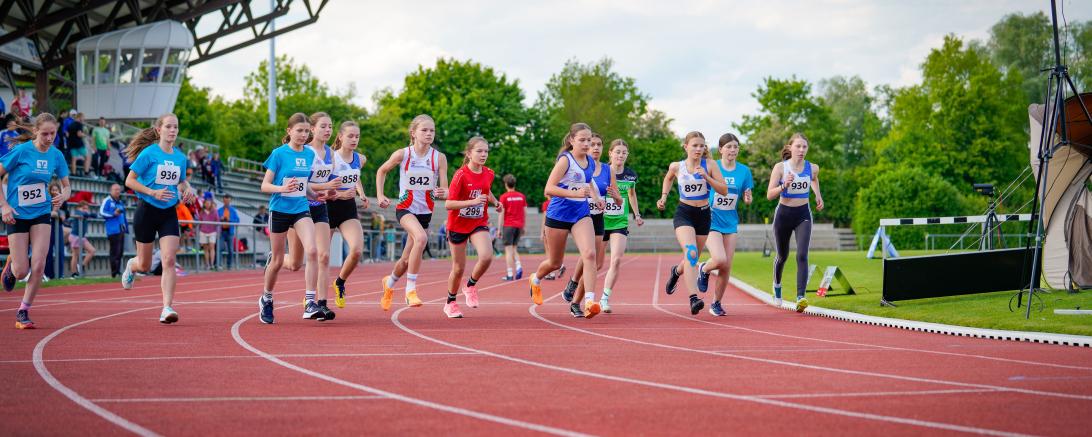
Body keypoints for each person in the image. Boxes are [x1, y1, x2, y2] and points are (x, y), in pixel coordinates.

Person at [120, 113, 198, 324]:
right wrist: (152, 192)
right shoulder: (149, 154)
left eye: (175, 127)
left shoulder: (180, 158)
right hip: (147, 210)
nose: (172, 131)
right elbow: (130, 181)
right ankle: (131, 266)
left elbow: (180, 182)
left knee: (169, 260)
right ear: (159, 130)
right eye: (169, 127)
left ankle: (167, 307)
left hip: (168, 212)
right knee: (144, 265)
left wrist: (187, 188)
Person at [0, 113, 71, 329]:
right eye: (45, 134)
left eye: (53, 134)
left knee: (39, 265)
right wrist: (3, 205)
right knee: (22, 271)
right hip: (17, 213)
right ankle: (12, 267)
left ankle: (23, 310)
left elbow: (67, 186)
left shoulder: (56, 155)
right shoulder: (21, 151)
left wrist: (63, 196)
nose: (50, 138)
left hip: (41, 212)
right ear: (35, 132)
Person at [528, 122, 604, 318]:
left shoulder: (591, 162)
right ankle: (535, 279)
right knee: (554, 263)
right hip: (558, 214)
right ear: (572, 140)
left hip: (580, 213)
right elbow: (549, 189)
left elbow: (590, 183)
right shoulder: (565, 160)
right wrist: (576, 193)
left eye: (589, 140)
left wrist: (595, 199)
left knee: (589, 254)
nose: (587, 144)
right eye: (582, 140)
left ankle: (589, 302)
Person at [375, 114, 448, 311]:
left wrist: (444, 191)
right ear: (413, 133)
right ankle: (410, 291)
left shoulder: (439, 158)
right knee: (421, 238)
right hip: (405, 208)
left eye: (432, 130)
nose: (429, 134)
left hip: (426, 211)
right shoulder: (403, 154)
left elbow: (445, 189)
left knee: (406, 260)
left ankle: (389, 284)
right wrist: (380, 195)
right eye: (424, 130)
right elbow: (382, 171)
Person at [258, 113, 325, 324]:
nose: (303, 135)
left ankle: (310, 302)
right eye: (299, 131)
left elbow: (303, 185)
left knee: (312, 251)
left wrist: (317, 195)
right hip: (279, 210)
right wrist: (282, 188)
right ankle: (266, 298)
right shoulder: (278, 154)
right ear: (289, 131)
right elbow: (264, 185)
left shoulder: (309, 154)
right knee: (278, 261)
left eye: (306, 131)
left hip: (300, 208)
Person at [657, 131, 729, 316]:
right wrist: (664, 197)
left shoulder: (710, 165)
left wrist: (706, 177)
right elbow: (668, 178)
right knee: (691, 252)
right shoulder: (677, 166)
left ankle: (676, 271)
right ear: (686, 146)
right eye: (695, 145)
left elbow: (723, 190)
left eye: (702, 145)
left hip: (704, 215)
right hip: (684, 214)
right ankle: (693, 298)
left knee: (692, 259)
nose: (698, 149)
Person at [280, 112, 341, 317]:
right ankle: (277, 258)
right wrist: (324, 186)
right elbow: (302, 183)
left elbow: (330, 184)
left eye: (330, 126)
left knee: (323, 255)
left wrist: (332, 193)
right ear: (312, 129)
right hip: (299, 207)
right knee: (296, 263)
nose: (328, 130)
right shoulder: (304, 152)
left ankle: (320, 302)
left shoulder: (331, 154)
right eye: (323, 126)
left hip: (319, 208)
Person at [562, 133, 622, 310]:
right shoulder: (579, 166)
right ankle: (576, 297)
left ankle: (575, 293)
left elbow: (618, 200)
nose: (595, 147)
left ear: (603, 149)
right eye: (592, 144)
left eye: (599, 144)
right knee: (589, 256)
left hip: (598, 217)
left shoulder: (607, 170)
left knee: (597, 264)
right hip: (580, 215)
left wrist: (616, 197)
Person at [765, 132, 823, 312]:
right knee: (782, 256)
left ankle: (801, 297)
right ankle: (777, 286)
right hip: (783, 214)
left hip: (803, 214)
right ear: (790, 148)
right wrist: (784, 185)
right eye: (798, 146)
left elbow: (814, 179)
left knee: (802, 255)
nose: (801, 150)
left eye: (804, 147)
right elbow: (769, 195)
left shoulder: (812, 167)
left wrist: (818, 194)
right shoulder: (780, 168)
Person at [442, 137, 498, 318]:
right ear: (469, 154)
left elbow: (486, 188)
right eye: (479, 151)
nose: (483, 155)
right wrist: (472, 202)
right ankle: (450, 302)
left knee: (487, 256)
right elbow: (448, 204)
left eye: (486, 151)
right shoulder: (460, 175)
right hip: (458, 224)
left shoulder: (489, 173)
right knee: (458, 268)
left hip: (478, 221)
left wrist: (495, 201)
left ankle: (470, 285)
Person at [704, 133, 754, 316]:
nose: (733, 150)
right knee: (719, 259)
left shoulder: (744, 171)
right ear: (721, 150)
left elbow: (747, 195)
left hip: (730, 222)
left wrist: (748, 198)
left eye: (735, 147)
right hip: (711, 219)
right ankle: (704, 268)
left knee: (726, 266)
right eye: (729, 147)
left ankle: (716, 303)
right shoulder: (713, 166)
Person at [327, 120, 368, 308]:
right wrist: (341, 194)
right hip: (328, 207)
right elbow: (320, 189)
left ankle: (340, 282)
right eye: (350, 136)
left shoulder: (361, 158)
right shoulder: (331, 159)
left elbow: (355, 175)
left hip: (347, 209)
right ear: (340, 136)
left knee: (357, 250)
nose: (354, 139)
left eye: (357, 136)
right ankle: (311, 296)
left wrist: (361, 192)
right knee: (321, 257)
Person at [599, 139, 643, 313]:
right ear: (610, 153)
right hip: (600, 221)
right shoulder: (601, 171)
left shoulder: (630, 175)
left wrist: (637, 215)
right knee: (595, 264)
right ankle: (581, 292)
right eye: (617, 152)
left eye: (624, 152)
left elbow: (632, 195)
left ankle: (604, 298)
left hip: (619, 222)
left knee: (616, 259)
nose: (621, 155)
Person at [498, 174, 526, 281]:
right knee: (514, 248)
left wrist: (499, 229)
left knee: (508, 250)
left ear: (506, 184)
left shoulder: (504, 197)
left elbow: (501, 213)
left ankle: (510, 274)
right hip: (519, 225)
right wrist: (523, 226)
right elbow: (525, 212)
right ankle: (518, 266)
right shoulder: (521, 196)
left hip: (508, 225)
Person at [99, 183, 128, 277]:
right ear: (111, 190)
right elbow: (101, 212)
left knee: (120, 252)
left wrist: (126, 227)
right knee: (114, 252)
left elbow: (123, 216)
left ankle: (118, 271)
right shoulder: (107, 200)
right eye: (115, 189)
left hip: (121, 230)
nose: (118, 191)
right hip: (112, 230)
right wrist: (113, 214)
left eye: (119, 189)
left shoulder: (120, 202)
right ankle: (114, 273)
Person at [538, 195, 565, 280]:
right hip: (559, 227)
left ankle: (552, 273)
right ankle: (559, 267)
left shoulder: (546, 203)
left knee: (548, 251)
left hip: (549, 227)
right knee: (555, 251)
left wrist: (542, 232)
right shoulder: (559, 201)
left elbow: (545, 218)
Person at [67, 200, 96, 277]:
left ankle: (81, 265)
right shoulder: (77, 212)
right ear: (79, 208)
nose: (85, 210)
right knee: (75, 255)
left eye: (87, 208)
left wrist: (87, 213)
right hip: (75, 236)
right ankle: (74, 273)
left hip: (82, 237)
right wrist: (86, 213)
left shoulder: (85, 214)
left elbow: (94, 215)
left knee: (92, 251)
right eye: (83, 208)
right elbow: (82, 214)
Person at [196, 198, 219, 270]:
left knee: (212, 247)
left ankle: (212, 264)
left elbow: (218, 222)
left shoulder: (215, 211)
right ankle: (207, 264)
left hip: (212, 231)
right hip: (203, 232)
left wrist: (218, 232)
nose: (207, 204)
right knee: (205, 249)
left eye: (209, 203)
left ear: (211, 204)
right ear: (204, 204)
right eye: (206, 203)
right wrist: (198, 232)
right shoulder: (201, 212)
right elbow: (199, 222)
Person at [218, 193, 240, 269]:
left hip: (230, 232)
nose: (226, 202)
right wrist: (220, 219)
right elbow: (216, 219)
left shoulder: (233, 210)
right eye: (225, 201)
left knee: (230, 249)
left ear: (230, 201)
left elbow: (237, 220)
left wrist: (229, 220)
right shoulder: (219, 210)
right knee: (219, 248)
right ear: (223, 201)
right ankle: (219, 264)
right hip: (221, 231)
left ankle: (229, 265)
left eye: (228, 201)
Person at [66, 112, 90, 176]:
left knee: (74, 159)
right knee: (87, 157)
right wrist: (84, 135)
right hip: (79, 144)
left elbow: (67, 135)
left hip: (71, 145)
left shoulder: (71, 125)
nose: (83, 119)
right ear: (80, 117)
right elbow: (79, 134)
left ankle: (73, 173)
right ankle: (86, 172)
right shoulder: (79, 124)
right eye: (83, 117)